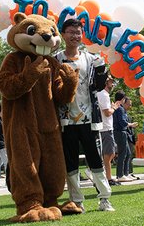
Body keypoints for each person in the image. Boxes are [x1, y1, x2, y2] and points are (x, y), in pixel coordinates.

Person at [55, 18, 114, 212]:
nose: (75, 36)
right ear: (63, 34)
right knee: (70, 161)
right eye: (71, 32)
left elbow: (98, 86)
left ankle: (104, 198)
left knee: (95, 159)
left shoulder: (91, 58)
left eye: (78, 32)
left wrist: (101, 71)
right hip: (66, 120)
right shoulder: (55, 60)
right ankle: (76, 200)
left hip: (89, 119)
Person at [95, 79, 118, 184]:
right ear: (106, 82)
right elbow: (107, 113)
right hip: (106, 128)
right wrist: (114, 108)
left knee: (109, 154)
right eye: (111, 82)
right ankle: (108, 178)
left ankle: (105, 177)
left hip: (105, 128)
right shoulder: (103, 95)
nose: (113, 84)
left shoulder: (102, 94)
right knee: (109, 154)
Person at [113, 93, 138, 182]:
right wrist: (131, 124)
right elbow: (122, 122)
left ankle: (126, 173)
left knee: (127, 153)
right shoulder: (120, 109)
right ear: (122, 99)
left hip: (121, 132)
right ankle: (120, 175)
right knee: (123, 154)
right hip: (120, 132)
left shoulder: (119, 109)